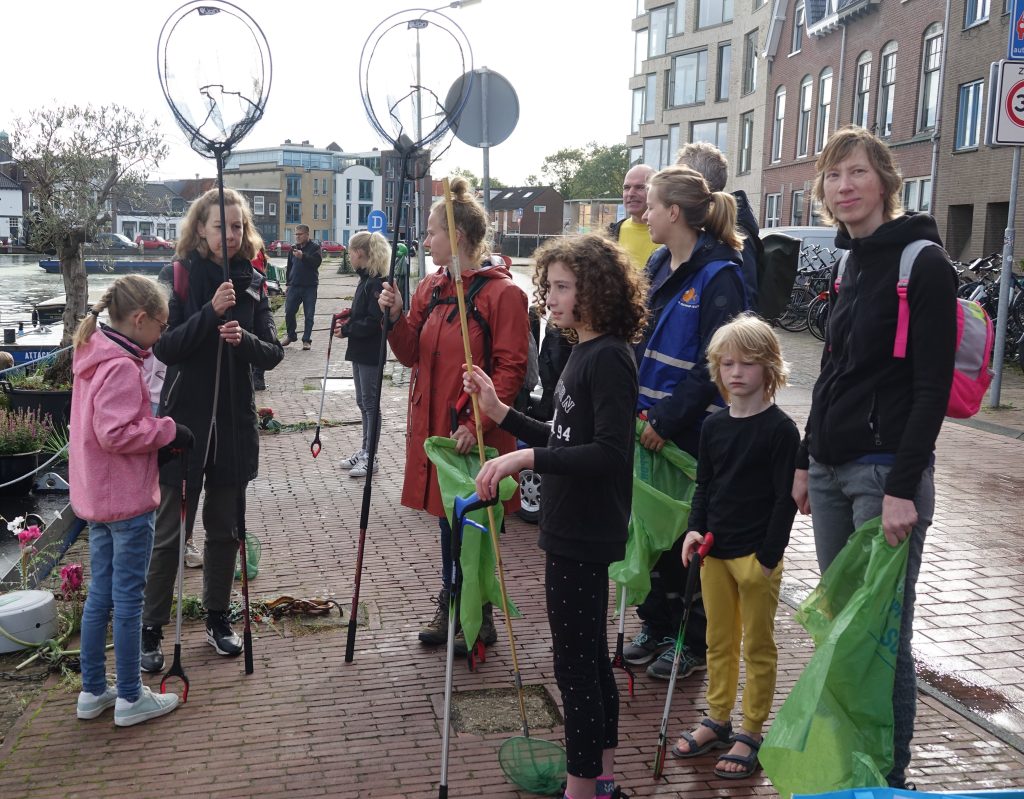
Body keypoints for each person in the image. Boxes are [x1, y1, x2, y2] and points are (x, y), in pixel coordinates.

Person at [791, 125, 956, 790]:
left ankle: (888, 775)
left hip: (884, 474)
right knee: (844, 630)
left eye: (858, 172)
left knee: (882, 638)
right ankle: (851, 762)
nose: (845, 185)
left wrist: (904, 485)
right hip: (832, 471)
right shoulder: (849, 262)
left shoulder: (923, 263)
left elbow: (930, 386)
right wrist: (806, 459)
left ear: (886, 182)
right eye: (834, 175)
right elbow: (830, 372)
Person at [464, 233, 647, 799]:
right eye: (548, 286)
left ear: (596, 289)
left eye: (563, 287)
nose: (551, 297)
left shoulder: (611, 357)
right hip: (569, 527)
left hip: (584, 530)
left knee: (574, 667)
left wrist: (525, 457)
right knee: (589, 657)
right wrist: (502, 413)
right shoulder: (583, 351)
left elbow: (611, 453)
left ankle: (580, 788)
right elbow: (565, 436)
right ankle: (605, 778)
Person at [378, 176, 529, 650]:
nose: (426, 241)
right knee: (448, 521)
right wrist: (395, 316)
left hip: (473, 434)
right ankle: (453, 599)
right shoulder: (432, 287)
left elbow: (510, 369)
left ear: (458, 236)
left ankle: (477, 611)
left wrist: (475, 422)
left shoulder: (502, 295)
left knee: (475, 523)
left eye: (433, 232)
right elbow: (409, 355)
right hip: (435, 429)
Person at [140, 188, 284, 671]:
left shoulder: (253, 281)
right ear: (201, 228)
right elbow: (167, 347)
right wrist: (210, 313)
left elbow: (273, 351)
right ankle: (151, 627)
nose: (232, 234)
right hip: (185, 427)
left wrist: (243, 340)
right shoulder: (176, 276)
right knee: (169, 534)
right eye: (222, 226)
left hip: (235, 428)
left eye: (239, 226)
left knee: (224, 531)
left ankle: (218, 617)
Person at [623, 164, 748, 681]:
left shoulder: (721, 276)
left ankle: (691, 641)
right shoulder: (656, 261)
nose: (644, 213)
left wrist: (668, 420)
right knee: (652, 533)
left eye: (651, 205)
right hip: (648, 428)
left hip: (689, 435)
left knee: (690, 540)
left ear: (674, 213)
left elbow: (715, 361)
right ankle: (657, 622)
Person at [671, 315, 799, 779]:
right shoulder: (714, 427)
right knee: (718, 640)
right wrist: (693, 529)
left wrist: (768, 558)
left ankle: (752, 727)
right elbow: (704, 484)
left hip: (755, 558)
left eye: (747, 363)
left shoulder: (781, 431)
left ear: (769, 368)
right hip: (714, 552)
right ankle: (718, 716)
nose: (736, 372)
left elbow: (785, 500)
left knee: (758, 645)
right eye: (727, 364)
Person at [69, 275, 191, 726]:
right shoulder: (121, 366)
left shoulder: (92, 354)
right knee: (127, 599)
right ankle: (129, 696)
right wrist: (169, 430)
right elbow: (116, 432)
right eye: (160, 325)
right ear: (140, 320)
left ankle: (93, 690)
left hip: (96, 498)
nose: (161, 335)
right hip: (125, 499)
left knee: (99, 595)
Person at [676, 141, 762, 311]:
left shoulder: (733, 236)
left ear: (697, 182)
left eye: (677, 178)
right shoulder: (700, 229)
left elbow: (744, 305)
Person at [336, 231, 389, 479]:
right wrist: (349, 315)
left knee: (370, 404)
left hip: (370, 350)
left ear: (359, 253)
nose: (349, 256)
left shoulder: (376, 282)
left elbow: (374, 321)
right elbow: (363, 313)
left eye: (350, 252)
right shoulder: (365, 279)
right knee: (362, 402)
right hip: (360, 350)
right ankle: (365, 449)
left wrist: (347, 329)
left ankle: (371, 455)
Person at [608, 163, 659, 269]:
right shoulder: (611, 235)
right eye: (626, 188)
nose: (630, 193)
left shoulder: (671, 235)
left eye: (640, 187)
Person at [283, 224, 323, 350]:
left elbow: (316, 263)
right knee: (289, 311)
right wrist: (288, 284)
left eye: (300, 234)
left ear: (307, 234)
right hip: (294, 286)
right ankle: (291, 335)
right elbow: (289, 267)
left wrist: (303, 256)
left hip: (309, 286)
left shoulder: (315, 248)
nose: (297, 237)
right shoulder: (293, 248)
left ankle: (306, 340)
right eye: (296, 234)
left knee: (309, 315)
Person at [251, 245, 269, 390]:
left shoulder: (253, 254)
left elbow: (255, 275)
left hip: (254, 296)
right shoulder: (259, 253)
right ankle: (257, 376)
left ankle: (256, 377)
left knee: (256, 338)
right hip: (260, 293)